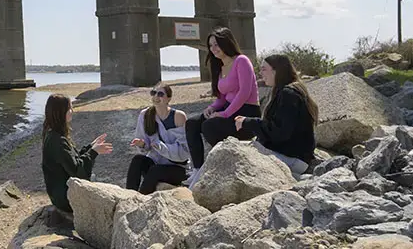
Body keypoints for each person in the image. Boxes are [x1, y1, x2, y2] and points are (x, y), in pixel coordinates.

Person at [184, 27, 261, 180]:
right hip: (229, 108)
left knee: (209, 126)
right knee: (192, 123)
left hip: (247, 112)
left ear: (226, 43)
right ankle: (197, 170)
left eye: (216, 44)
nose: (213, 48)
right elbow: (222, 97)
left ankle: (225, 162)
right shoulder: (219, 67)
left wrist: (224, 114)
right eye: (210, 45)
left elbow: (244, 92)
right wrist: (211, 108)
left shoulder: (241, 61)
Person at [235, 54, 319, 176]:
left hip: (293, 159)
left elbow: (279, 132)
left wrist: (247, 122)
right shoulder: (287, 91)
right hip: (293, 156)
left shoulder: (288, 94)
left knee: (235, 152)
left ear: (276, 71)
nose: (260, 73)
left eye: (264, 69)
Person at [41, 93, 113, 213]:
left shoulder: (53, 134)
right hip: (65, 199)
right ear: (60, 112)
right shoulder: (58, 141)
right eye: (69, 108)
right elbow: (78, 172)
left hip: (58, 195)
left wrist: (91, 146)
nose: (72, 111)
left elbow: (72, 160)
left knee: (97, 184)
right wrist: (94, 152)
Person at [126, 85, 189, 194]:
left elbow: (185, 151)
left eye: (160, 94)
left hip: (178, 168)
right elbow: (145, 147)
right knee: (138, 160)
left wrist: (161, 147)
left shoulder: (178, 116)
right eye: (153, 93)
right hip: (155, 163)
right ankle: (129, 195)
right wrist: (142, 144)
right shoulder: (145, 115)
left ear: (168, 99)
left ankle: (141, 198)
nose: (156, 96)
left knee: (155, 170)